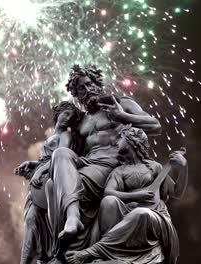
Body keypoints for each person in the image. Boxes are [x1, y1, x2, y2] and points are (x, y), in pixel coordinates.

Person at [47, 65, 162, 260]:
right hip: (87, 163)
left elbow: (155, 126)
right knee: (57, 164)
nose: (87, 90)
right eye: (81, 88)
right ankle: (72, 223)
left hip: (111, 165)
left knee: (56, 185)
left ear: (98, 84)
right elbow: (69, 149)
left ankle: (72, 237)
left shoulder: (121, 104)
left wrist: (123, 117)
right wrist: (37, 165)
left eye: (89, 84)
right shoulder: (80, 122)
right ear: (76, 95)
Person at [66, 125, 188, 264]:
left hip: (154, 217)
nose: (117, 142)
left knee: (141, 213)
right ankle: (111, 254)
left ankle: (93, 251)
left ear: (132, 141)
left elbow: (177, 192)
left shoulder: (155, 167)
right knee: (109, 201)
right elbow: (108, 192)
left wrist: (183, 168)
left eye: (121, 138)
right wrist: (136, 196)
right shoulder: (120, 171)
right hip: (128, 213)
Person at [14, 101, 83, 264]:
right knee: (30, 222)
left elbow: (59, 155)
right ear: (58, 113)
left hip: (48, 181)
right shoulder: (53, 135)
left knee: (34, 222)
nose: (67, 118)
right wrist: (31, 165)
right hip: (39, 183)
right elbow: (45, 159)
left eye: (71, 117)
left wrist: (43, 171)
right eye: (66, 114)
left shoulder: (66, 135)